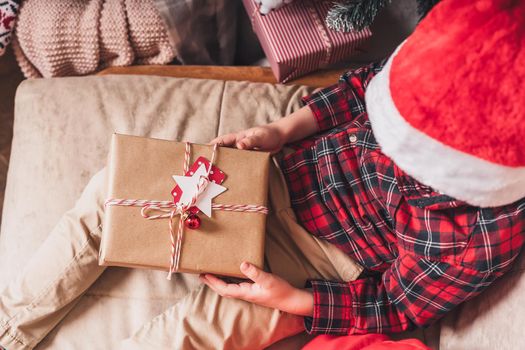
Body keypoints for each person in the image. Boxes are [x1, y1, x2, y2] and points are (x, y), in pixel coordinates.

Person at [1, 0, 524, 349]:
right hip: (272, 177)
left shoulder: (488, 229)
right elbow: (358, 88)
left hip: (318, 269)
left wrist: (289, 300)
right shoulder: (445, 59)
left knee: (184, 335)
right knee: (110, 196)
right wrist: (277, 132)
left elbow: (398, 306)